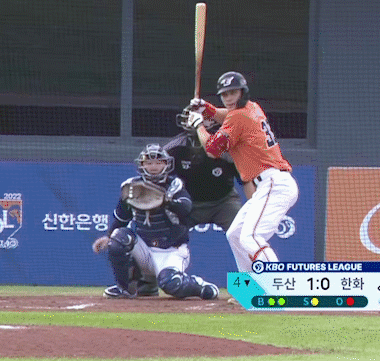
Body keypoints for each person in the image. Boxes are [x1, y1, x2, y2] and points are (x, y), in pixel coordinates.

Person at [187, 71, 298, 271]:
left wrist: (198, 125)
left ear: (242, 92)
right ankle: (249, 286)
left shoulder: (238, 116)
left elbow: (212, 150)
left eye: (233, 92)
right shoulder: (252, 107)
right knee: (235, 234)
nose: (228, 97)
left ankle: (278, 283)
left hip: (273, 183)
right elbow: (227, 116)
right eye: (224, 94)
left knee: (251, 237)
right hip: (269, 184)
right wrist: (206, 108)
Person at [92, 143, 219, 300]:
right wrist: (109, 236)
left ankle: (200, 286)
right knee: (119, 237)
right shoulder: (131, 187)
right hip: (144, 248)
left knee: (171, 284)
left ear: (166, 164)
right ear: (142, 164)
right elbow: (121, 218)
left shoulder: (174, 185)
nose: (153, 167)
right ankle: (125, 288)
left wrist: (166, 201)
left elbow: (185, 208)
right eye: (149, 162)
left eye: (158, 162)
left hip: (171, 249)